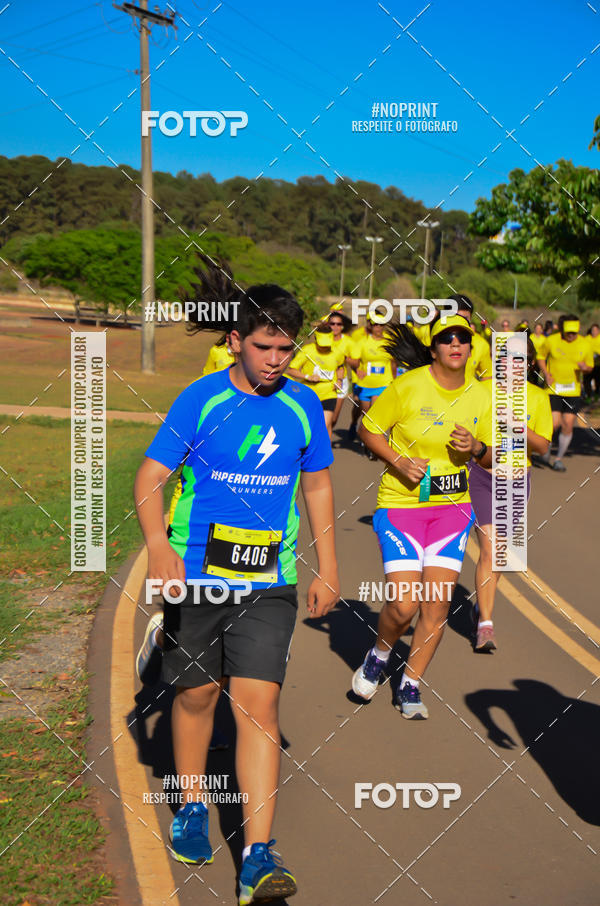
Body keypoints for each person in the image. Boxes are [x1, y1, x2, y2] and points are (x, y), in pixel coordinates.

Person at [134, 278, 339, 904]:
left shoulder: (303, 406)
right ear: (235, 341)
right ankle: (193, 805)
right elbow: (148, 480)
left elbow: (320, 488)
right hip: (196, 575)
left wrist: (329, 566)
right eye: (264, 346)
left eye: (286, 349)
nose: (277, 359)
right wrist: (162, 549)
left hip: (269, 582)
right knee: (197, 697)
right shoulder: (200, 400)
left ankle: (257, 854)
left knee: (258, 707)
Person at [351, 315, 493, 718]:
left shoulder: (481, 396)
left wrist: (476, 447)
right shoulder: (408, 386)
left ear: (469, 348)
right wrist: (398, 460)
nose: (455, 345)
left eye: (462, 339)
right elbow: (368, 428)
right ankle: (379, 653)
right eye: (446, 339)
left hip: (451, 512)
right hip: (401, 507)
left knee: (436, 606)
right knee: (404, 605)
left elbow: (496, 456)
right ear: (433, 349)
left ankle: (410, 684)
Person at [468, 338, 552, 651]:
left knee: (500, 557)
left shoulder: (537, 398)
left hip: (517, 481)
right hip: (481, 477)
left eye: (520, 359)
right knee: (490, 551)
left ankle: (481, 606)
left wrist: (519, 427)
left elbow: (543, 446)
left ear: (529, 363)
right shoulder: (480, 391)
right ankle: (486, 625)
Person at [537, 314, 594, 471]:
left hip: (573, 390)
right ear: (562, 330)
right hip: (553, 389)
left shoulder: (585, 344)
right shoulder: (551, 340)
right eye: (568, 332)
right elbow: (541, 356)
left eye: (574, 332)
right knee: (554, 423)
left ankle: (558, 459)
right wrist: (546, 374)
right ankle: (545, 449)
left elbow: (590, 366)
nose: (571, 335)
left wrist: (586, 368)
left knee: (568, 424)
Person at [346, 310, 397, 458]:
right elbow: (353, 360)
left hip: (383, 383)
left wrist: (394, 381)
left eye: (381, 324)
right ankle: (360, 431)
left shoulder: (389, 341)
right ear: (370, 326)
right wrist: (356, 369)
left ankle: (373, 446)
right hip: (365, 384)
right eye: (375, 324)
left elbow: (393, 363)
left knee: (375, 413)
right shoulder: (362, 342)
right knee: (365, 413)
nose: (378, 327)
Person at [286, 324, 346, 439]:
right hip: (309, 392)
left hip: (329, 393)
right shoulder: (307, 350)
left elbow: (340, 367)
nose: (324, 348)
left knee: (324, 425)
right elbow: (291, 370)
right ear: (316, 339)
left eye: (326, 345)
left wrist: (339, 380)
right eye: (321, 345)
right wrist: (308, 376)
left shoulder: (337, 352)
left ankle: (323, 454)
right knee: (309, 426)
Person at [327, 311, 353, 431]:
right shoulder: (323, 339)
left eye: (338, 324)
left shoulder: (348, 342)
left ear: (342, 326)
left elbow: (356, 362)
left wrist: (346, 358)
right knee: (324, 417)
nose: (335, 327)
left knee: (333, 418)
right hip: (324, 380)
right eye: (332, 324)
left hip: (341, 381)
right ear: (328, 325)